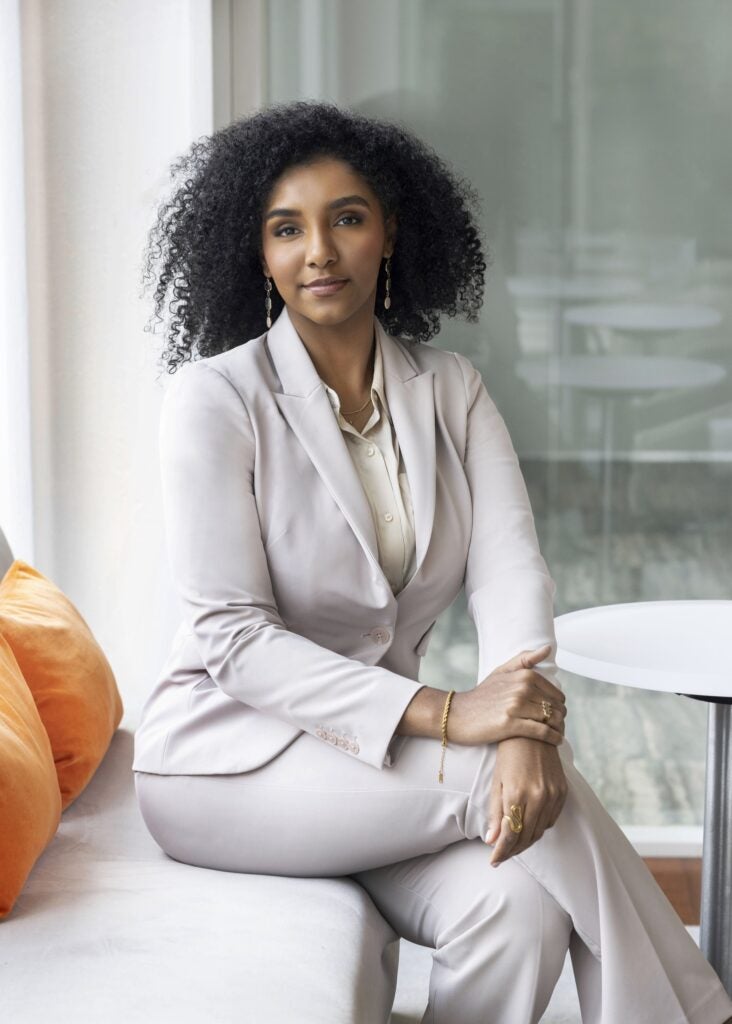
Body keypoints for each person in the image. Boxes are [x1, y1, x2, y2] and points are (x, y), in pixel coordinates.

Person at [132, 100, 732, 1024]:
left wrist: (525, 726)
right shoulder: (217, 401)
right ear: (258, 254)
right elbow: (233, 639)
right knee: (503, 790)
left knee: (519, 904)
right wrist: (456, 717)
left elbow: (510, 571)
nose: (319, 251)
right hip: (229, 764)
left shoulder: (451, 388)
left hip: (374, 772)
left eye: (346, 217)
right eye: (286, 228)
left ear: (390, 233)